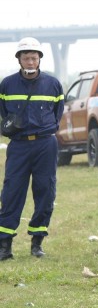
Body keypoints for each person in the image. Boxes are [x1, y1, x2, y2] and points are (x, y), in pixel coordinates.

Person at [0, 37, 64, 260]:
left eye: (33, 57)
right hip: (18, 145)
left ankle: (37, 242)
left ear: (39, 60)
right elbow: (3, 113)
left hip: (45, 144)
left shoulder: (53, 84)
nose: (30, 61)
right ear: (19, 59)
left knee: (45, 191)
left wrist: (45, 130)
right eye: (26, 57)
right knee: (11, 192)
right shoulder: (6, 84)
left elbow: (58, 113)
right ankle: (5, 246)